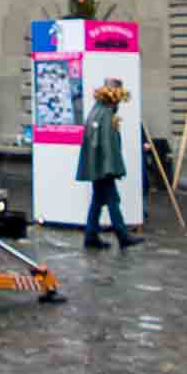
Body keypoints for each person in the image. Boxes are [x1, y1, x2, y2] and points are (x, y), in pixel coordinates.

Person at [76, 78, 135, 251]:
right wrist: (110, 168)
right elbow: (108, 144)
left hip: (97, 165)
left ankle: (91, 235)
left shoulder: (97, 110)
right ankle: (122, 235)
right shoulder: (106, 113)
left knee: (98, 199)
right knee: (111, 199)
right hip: (103, 167)